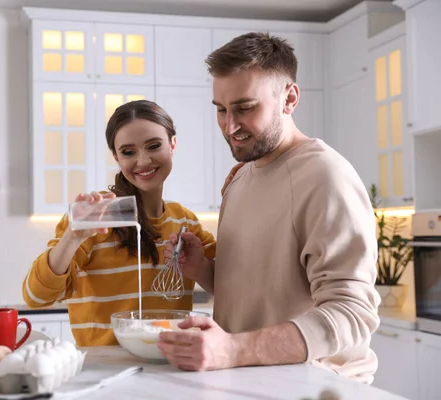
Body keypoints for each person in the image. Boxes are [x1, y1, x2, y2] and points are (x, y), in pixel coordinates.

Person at [157, 32, 381, 385]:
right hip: (249, 383)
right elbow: (258, 294)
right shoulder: (240, 179)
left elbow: (352, 313)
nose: (229, 126)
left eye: (245, 108)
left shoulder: (326, 177)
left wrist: (232, 350)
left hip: (315, 387)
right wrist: (203, 269)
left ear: (289, 98)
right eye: (220, 109)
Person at [22, 100, 217, 347]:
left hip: (171, 363)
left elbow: (230, 286)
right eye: (128, 152)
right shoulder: (96, 218)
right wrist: (73, 236)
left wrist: (199, 268)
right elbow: (35, 297)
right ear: (116, 157)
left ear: (173, 144)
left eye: (154, 146)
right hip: (106, 370)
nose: (143, 161)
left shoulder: (185, 222)